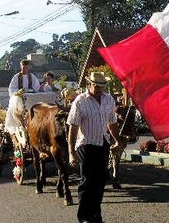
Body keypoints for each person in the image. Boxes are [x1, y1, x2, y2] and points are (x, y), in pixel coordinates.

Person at [67, 71, 121, 223]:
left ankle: (95, 214)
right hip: (86, 145)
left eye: (102, 86)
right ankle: (84, 216)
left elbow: (112, 122)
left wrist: (117, 140)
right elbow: (73, 127)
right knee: (88, 180)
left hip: (102, 143)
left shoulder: (109, 99)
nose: (99, 89)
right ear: (89, 84)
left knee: (100, 181)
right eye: (96, 86)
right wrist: (71, 153)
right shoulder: (80, 101)